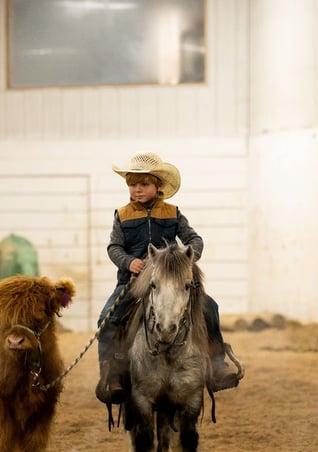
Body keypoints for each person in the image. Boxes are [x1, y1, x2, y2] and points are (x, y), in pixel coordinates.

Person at [95, 151, 241, 409]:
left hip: (170, 281)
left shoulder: (173, 213)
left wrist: (186, 259)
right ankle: (113, 374)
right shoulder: (122, 214)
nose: (137, 189)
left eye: (143, 184)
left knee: (210, 308)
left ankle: (217, 364)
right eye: (132, 184)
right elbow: (114, 247)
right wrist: (128, 262)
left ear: (158, 186)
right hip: (132, 283)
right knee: (107, 318)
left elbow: (194, 239)